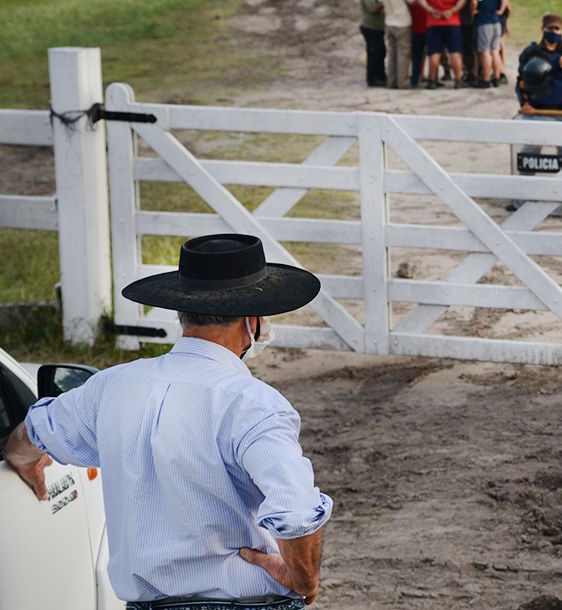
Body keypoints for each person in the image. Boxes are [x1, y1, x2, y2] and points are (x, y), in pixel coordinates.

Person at [2, 233, 331, 609]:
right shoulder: (254, 404)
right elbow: (297, 514)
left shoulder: (110, 386)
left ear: (182, 312)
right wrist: (302, 578)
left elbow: (31, 431)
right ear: (252, 321)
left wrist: (25, 458)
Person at [513, 13, 562, 215]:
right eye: (549, 29)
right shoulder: (531, 53)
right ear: (542, 29)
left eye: (556, 29)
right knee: (528, 155)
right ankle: (521, 198)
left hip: (561, 111)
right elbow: (521, 83)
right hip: (536, 110)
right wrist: (524, 103)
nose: (552, 32)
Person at [379, 0, 433, 89]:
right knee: (403, 54)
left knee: (392, 54)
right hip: (402, 24)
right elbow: (413, 1)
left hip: (389, 22)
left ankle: (391, 81)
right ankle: (402, 81)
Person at [424, 0, 467, 89]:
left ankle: (432, 80)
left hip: (434, 22)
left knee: (434, 53)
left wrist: (431, 10)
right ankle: (458, 80)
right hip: (452, 22)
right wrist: (452, 10)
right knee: (455, 52)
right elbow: (462, 0)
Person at [470, 0, 509, 88]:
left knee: (485, 51)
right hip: (496, 21)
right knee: (494, 50)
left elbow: (473, 1)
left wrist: (473, 13)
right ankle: (496, 77)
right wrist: (501, 10)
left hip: (484, 21)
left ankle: (486, 79)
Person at [358, 0, 386, 87]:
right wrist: (383, 3)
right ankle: (373, 78)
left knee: (380, 52)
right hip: (371, 27)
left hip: (376, 27)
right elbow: (373, 8)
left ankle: (380, 75)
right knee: (374, 53)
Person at [405, 0, 431, 88]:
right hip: (420, 30)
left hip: (426, 30)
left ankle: (423, 78)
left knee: (423, 56)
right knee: (419, 56)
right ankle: (419, 78)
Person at [488, 0, 510, 85]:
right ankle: (496, 70)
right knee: (495, 47)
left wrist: (503, 13)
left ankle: (500, 71)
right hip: (495, 17)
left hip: (498, 18)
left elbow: (507, 3)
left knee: (498, 46)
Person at [460, 0, 481, 85]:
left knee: (468, 49)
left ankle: (471, 73)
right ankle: (480, 72)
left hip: (467, 21)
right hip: (481, 19)